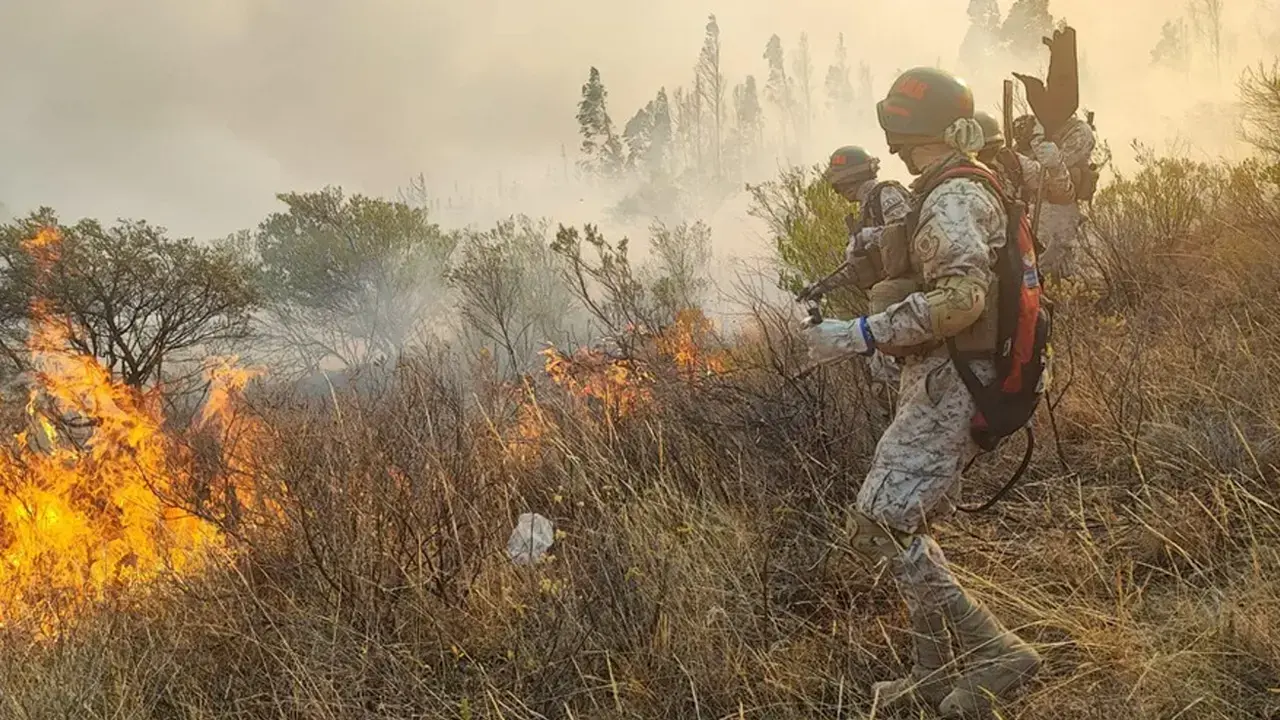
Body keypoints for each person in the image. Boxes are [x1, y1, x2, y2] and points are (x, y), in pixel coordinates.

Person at [799, 67, 1041, 717]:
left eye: (895, 127)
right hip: (945, 377)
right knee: (913, 521)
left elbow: (960, 300)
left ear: (908, 126)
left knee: (883, 516)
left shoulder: (953, 197)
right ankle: (931, 675)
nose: (892, 142)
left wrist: (858, 334)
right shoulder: (944, 187)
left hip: (955, 381)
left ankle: (996, 652)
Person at [799, 146, 913, 397]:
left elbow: (908, 232)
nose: (837, 191)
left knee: (890, 372)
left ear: (849, 178)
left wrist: (869, 235)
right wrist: (823, 285)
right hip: (885, 301)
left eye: (839, 182)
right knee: (883, 374)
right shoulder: (864, 212)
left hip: (905, 297)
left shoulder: (887, 194)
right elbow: (858, 267)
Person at [1013, 112, 1097, 278]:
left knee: (1054, 266)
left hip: (1059, 207)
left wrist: (1023, 157)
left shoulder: (1079, 132)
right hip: (1033, 208)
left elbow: (1054, 169)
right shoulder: (1035, 128)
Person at [973, 111, 1074, 208]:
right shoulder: (961, 172)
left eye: (993, 149)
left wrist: (1055, 168)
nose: (988, 160)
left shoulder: (1011, 163)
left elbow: (1061, 195)